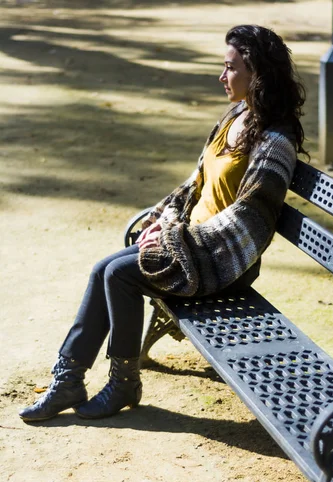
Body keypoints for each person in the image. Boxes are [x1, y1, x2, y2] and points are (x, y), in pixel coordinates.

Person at [19, 24, 307, 422]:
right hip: (190, 246)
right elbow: (196, 184)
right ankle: (69, 377)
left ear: (257, 73)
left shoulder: (276, 139)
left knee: (120, 274)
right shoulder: (237, 115)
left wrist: (176, 239)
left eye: (230, 68)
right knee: (104, 267)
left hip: (225, 260)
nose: (222, 76)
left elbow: (250, 221)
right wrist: (165, 220)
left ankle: (123, 383)